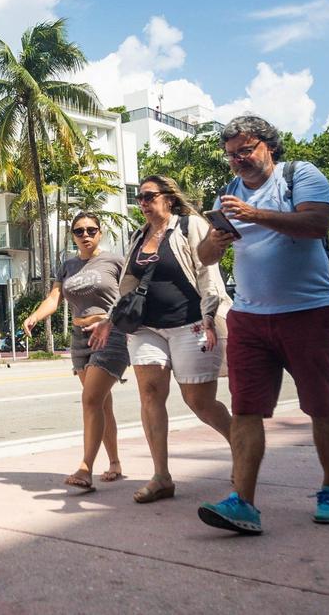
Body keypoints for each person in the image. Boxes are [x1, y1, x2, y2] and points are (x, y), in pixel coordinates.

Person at [196, 116, 329, 534]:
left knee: (322, 405)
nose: (238, 161)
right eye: (231, 154)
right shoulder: (227, 193)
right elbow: (206, 255)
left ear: (269, 145)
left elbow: (316, 223)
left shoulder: (301, 175)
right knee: (246, 409)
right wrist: (215, 241)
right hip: (249, 316)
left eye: (245, 150)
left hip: (307, 312)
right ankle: (243, 503)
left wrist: (255, 215)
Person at [90, 175, 233, 504]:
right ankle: (161, 477)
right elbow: (129, 284)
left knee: (198, 400)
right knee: (150, 394)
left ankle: (240, 448)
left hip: (190, 323)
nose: (142, 202)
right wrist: (111, 320)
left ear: (168, 198)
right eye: (139, 198)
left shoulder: (190, 226)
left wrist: (210, 316)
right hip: (146, 328)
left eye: (148, 196)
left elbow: (207, 272)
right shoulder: (138, 235)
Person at [25, 213, 128, 490]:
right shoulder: (68, 265)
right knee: (101, 403)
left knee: (91, 400)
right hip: (79, 339)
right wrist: (35, 316)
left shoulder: (115, 261)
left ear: (100, 232)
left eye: (91, 230)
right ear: (73, 235)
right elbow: (54, 298)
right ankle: (115, 462)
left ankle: (85, 469)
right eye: (79, 231)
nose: (86, 235)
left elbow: (131, 295)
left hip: (109, 333)